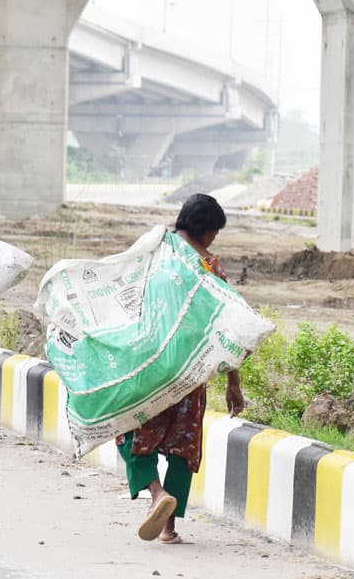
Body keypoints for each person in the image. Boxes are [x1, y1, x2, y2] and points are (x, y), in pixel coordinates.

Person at [116, 193, 245, 544]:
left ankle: (157, 494)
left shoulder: (156, 253)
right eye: (215, 232)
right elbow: (228, 327)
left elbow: (126, 300)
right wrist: (233, 383)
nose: (214, 240)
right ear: (205, 231)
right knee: (182, 446)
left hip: (150, 365)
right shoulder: (210, 266)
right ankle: (169, 527)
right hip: (190, 374)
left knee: (128, 430)